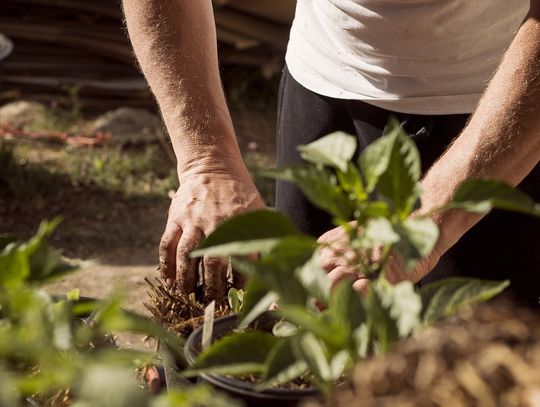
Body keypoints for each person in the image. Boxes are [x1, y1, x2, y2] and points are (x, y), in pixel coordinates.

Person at [123, 1, 540, 305]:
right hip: (321, 86)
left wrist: (425, 222)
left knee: (474, 373)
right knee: (305, 342)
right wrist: (206, 161)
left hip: (498, 118)